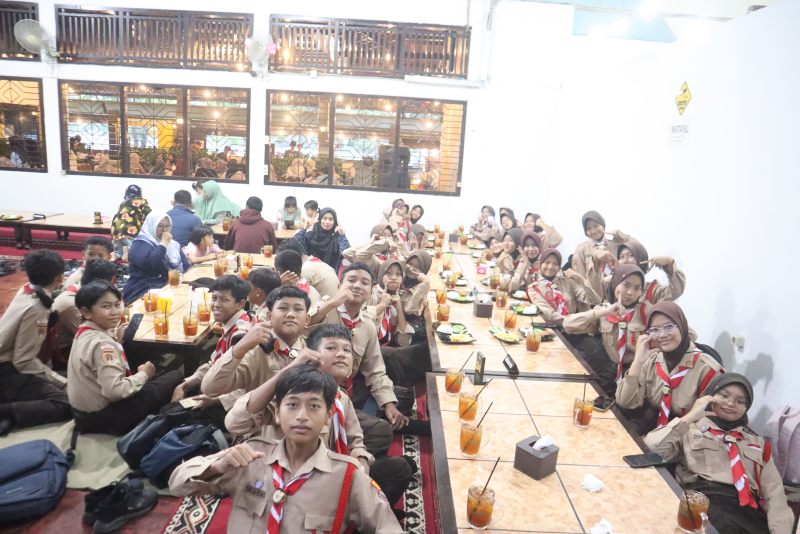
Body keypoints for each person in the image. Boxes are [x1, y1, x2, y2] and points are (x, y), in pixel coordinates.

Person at [169, 364, 404, 534]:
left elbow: (387, 526)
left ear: (328, 416)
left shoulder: (347, 477)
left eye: (314, 406)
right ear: (278, 414)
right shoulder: (251, 457)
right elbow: (177, 485)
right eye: (292, 404)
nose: (301, 415)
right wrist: (217, 467)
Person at [226, 327, 414, 508]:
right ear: (313, 355)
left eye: (347, 350)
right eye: (331, 348)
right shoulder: (296, 393)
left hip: (330, 473)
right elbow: (235, 423)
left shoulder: (341, 398)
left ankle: (353, 517)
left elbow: (355, 442)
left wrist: (361, 465)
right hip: (291, 482)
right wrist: (288, 371)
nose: (341, 354)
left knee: (401, 467)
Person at [644, 373, 794, 534]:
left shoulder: (759, 445)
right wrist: (690, 417)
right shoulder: (688, 430)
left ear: (746, 408)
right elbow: (649, 448)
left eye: (740, 401)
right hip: (703, 503)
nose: (730, 403)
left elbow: (776, 498)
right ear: (709, 397)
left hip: (747, 512)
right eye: (724, 395)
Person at [67, 281, 184, 435]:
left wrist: (118, 341)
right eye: (106, 306)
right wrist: (144, 374)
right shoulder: (103, 344)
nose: (115, 312)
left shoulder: (84, 332)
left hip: (82, 415)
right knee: (175, 376)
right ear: (86, 312)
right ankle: (163, 421)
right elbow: (115, 391)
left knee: (156, 375)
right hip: (106, 418)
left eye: (117, 305)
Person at [309, 263, 407, 431]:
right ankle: (357, 423)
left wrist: (389, 404)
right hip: (317, 388)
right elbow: (305, 323)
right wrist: (333, 302)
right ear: (339, 287)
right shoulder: (326, 308)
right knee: (381, 431)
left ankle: (358, 418)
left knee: (403, 396)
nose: (357, 286)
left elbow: (375, 369)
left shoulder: (367, 325)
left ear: (370, 293)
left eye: (364, 283)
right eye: (351, 280)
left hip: (349, 387)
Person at [616, 302, 723, 434]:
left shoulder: (707, 369)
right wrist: (637, 362)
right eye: (654, 329)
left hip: (687, 436)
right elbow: (625, 402)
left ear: (682, 326)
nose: (662, 335)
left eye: (668, 327)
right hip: (651, 429)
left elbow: (711, 422)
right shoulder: (651, 360)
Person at [0, 250, 72, 434]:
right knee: (66, 402)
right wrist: (63, 383)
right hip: (7, 370)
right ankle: (6, 412)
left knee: (63, 376)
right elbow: (23, 361)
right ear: (59, 277)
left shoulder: (28, 289)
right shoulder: (37, 308)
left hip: (10, 363)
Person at [200, 286, 310, 398]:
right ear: (269, 317)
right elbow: (210, 388)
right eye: (283, 308)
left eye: (298, 309)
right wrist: (242, 345)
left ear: (307, 319)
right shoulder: (256, 350)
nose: (290, 314)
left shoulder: (313, 349)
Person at [563, 264, 648, 395]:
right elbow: (568, 324)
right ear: (615, 284)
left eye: (637, 288)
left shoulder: (646, 311)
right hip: (609, 376)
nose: (630, 292)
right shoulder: (604, 310)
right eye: (626, 285)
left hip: (637, 376)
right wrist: (602, 312)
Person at [53, 259, 117, 367]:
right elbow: (93, 337)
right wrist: (119, 338)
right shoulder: (72, 304)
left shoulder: (81, 292)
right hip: (66, 354)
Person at [586, 241, 686, 305]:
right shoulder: (610, 284)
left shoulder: (651, 290)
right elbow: (594, 290)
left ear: (641, 259)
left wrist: (669, 265)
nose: (625, 261)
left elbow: (675, 291)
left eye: (630, 256)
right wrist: (596, 262)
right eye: (621, 257)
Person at [123, 211, 191, 302]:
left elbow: (186, 267)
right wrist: (163, 244)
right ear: (151, 225)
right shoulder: (141, 244)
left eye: (167, 226)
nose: (164, 230)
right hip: (142, 288)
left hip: (167, 286)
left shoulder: (173, 245)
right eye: (160, 226)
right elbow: (150, 264)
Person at [528, 249, 602, 329]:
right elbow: (551, 315)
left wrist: (582, 280)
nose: (550, 267)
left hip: (575, 330)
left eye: (555, 264)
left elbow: (594, 301)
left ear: (559, 267)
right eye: (547, 262)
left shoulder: (568, 282)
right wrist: (577, 320)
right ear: (540, 264)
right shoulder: (534, 289)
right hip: (551, 330)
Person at [572, 210, 637, 278]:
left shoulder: (615, 245)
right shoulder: (582, 250)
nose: (593, 231)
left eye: (596, 225)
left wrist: (622, 236)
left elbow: (638, 249)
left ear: (602, 225)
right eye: (588, 228)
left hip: (616, 283)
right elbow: (579, 278)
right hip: (594, 284)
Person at [294, 207, 349, 272]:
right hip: (310, 273)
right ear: (320, 220)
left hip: (330, 274)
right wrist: (304, 228)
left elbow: (346, 253)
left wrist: (342, 236)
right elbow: (294, 244)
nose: (327, 222)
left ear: (334, 222)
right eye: (324, 218)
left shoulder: (337, 238)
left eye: (330, 219)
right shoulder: (310, 236)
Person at [110, 184, 152, 261]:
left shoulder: (123, 203)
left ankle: (115, 255)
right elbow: (150, 215)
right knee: (134, 250)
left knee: (118, 251)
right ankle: (127, 252)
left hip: (116, 231)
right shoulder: (142, 201)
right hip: (130, 230)